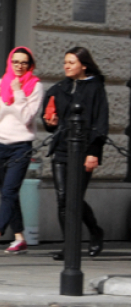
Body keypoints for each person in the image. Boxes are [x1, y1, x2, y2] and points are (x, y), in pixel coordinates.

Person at [42, 46, 109, 259]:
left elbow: (101, 121)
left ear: (84, 65)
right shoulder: (59, 88)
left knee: (75, 198)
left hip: (84, 151)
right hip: (61, 150)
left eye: (71, 62)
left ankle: (96, 232)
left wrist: (94, 152)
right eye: (65, 63)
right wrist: (50, 122)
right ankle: (69, 246)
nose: (66, 66)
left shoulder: (96, 87)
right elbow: (51, 120)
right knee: (63, 198)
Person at [0, 47, 42, 255]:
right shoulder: (0, 83)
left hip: (21, 146)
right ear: (10, 62)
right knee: (8, 194)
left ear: (30, 65)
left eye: (24, 63)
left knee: (9, 192)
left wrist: (18, 92)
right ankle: (20, 239)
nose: (19, 66)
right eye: (15, 62)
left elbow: (28, 118)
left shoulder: (35, 86)